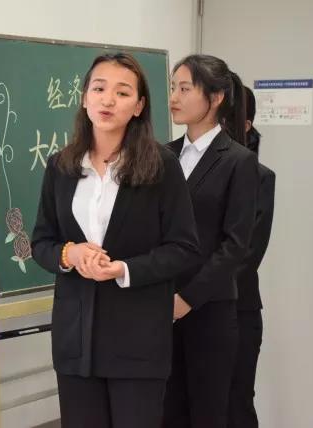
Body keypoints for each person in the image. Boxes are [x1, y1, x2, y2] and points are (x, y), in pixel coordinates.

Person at [31, 52, 200, 428]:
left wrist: (123, 269)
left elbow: (184, 248)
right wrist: (71, 253)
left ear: (138, 106)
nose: (108, 100)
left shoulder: (161, 166)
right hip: (76, 340)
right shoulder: (61, 166)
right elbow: (41, 241)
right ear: (84, 98)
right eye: (99, 89)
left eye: (122, 93)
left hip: (137, 340)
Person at [162, 54, 259, 428]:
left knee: (207, 414)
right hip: (160, 307)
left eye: (185, 89)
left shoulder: (238, 160)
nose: (174, 97)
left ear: (215, 97)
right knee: (166, 413)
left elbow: (235, 245)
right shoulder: (163, 155)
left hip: (210, 311)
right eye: (173, 87)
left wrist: (187, 299)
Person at [228, 86, 276, 428]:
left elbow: (247, 254)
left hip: (236, 308)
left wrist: (195, 294)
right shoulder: (179, 169)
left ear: (246, 125)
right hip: (181, 311)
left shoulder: (260, 178)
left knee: (236, 404)